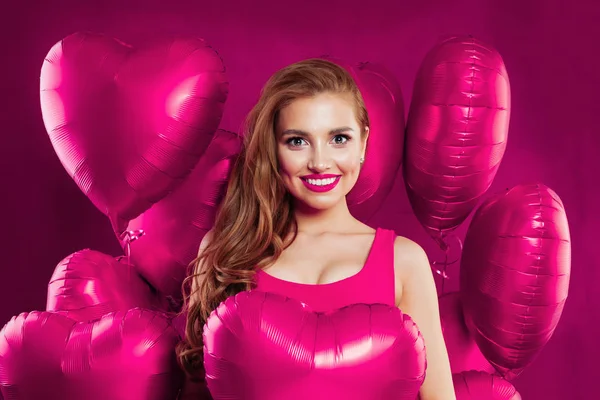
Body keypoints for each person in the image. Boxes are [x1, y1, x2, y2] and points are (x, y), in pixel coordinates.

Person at [177, 58, 456, 399]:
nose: (320, 162)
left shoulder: (405, 261)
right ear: (273, 147)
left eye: (339, 138)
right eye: (297, 141)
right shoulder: (224, 251)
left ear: (364, 142)